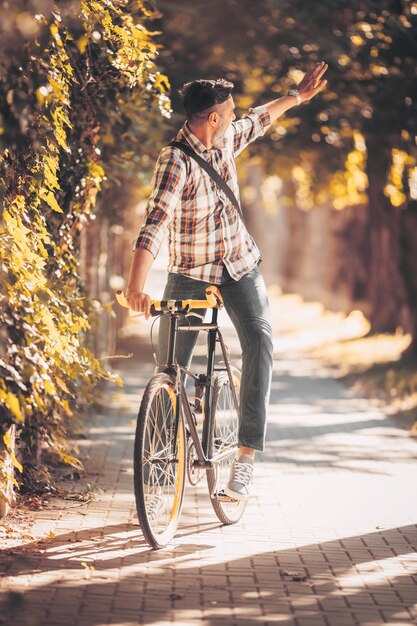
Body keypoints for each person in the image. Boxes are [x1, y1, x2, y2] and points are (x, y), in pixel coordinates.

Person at [126, 63, 328, 501]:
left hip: (239, 264)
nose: (235, 117)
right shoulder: (175, 162)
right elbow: (154, 225)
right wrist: (135, 287)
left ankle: (245, 459)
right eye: (229, 112)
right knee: (169, 371)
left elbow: (260, 117)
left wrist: (297, 95)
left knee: (259, 340)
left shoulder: (225, 138)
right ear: (212, 118)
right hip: (190, 273)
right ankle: (161, 460)